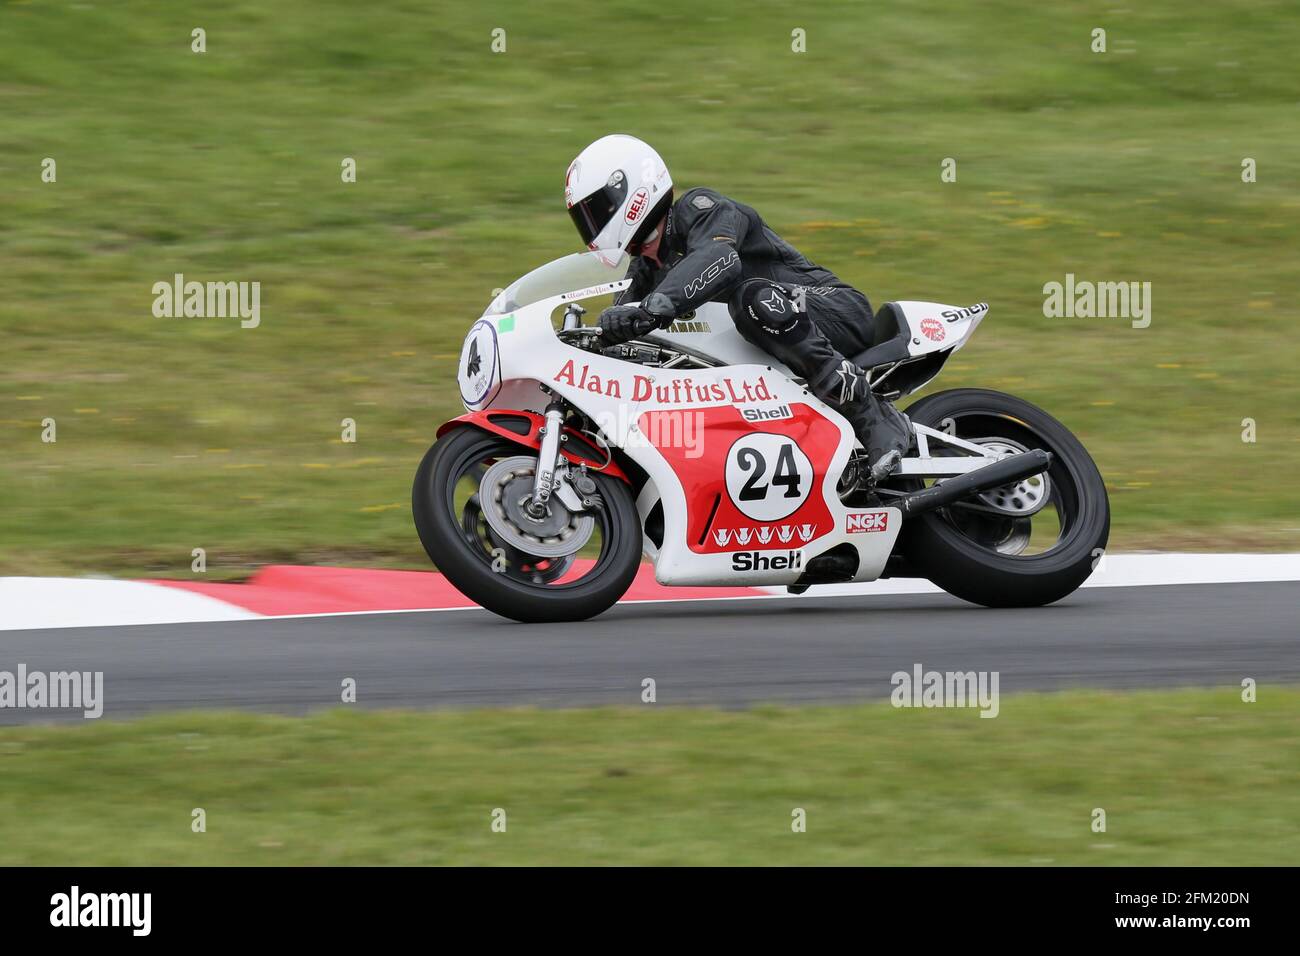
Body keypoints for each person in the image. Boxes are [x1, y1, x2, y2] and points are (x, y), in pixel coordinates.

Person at [563, 134, 912, 477]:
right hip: (771, 350)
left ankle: (873, 415)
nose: (591, 228)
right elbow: (621, 342)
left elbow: (720, 258)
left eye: (596, 213)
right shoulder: (643, 272)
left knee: (753, 300)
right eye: (585, 220)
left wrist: (652, 310)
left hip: (834, 308)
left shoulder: (699, 209)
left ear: (633, 194)